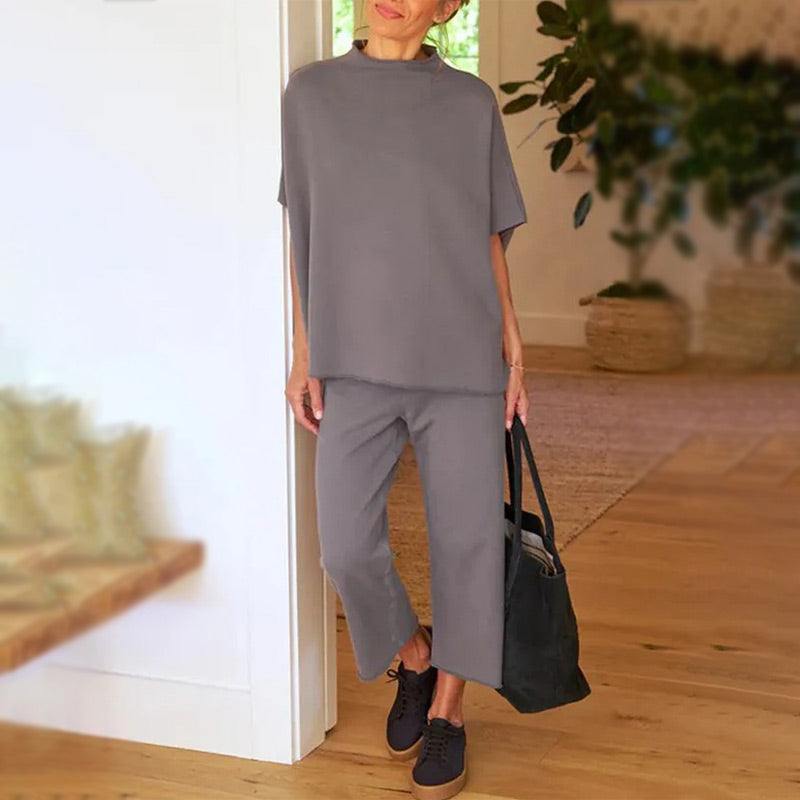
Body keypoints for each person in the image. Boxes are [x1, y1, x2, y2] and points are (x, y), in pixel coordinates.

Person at [278, 2, 529, 798]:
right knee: (346, 546)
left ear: (447, 6)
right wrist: (305, 351)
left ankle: (450, 708)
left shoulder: (470, 104)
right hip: (354, 359)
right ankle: (414, 656)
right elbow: (304, 231)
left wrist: (513, 340)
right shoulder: (310, 94)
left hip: (462, 356)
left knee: (467, 543)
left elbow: (486, 231)